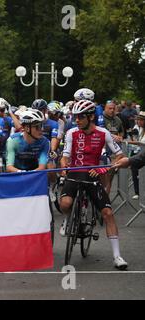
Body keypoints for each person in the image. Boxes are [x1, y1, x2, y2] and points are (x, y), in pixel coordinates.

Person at [59, 99, 128, 270]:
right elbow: (65, 156)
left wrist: (103, 170)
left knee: (108, 213)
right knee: (65, 204)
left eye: (80, 117)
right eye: (75, 117)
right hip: (75, 173)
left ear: (91, 117)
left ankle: (117, 256)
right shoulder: (71, 133)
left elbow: (119, 157)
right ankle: (68, 220)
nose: (76, 120)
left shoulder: (103, 133)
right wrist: (63, 166)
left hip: (93, 174)